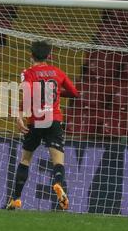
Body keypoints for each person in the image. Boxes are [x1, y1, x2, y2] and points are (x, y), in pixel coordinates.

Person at [6, 40, 79, 210]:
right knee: (58, 160)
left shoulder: (28, 73)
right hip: (54, 119)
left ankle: (16, 199)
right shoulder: (57, 72)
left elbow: (29, 92)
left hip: (36, 121)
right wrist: (56, 91)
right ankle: (58, 183)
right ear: (49, 56)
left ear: (31, 55)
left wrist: (18, 114)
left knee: (25, 159)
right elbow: (75, 92)